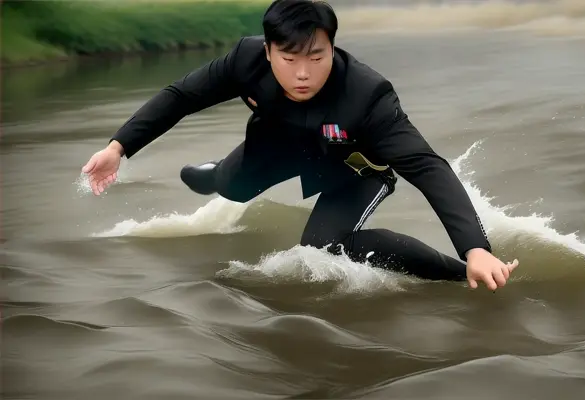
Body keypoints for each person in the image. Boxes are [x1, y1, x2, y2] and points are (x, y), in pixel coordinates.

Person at [81, 0, 519, 291]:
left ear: (333, 47)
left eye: (317, 57)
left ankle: (458, 275)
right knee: (230, 186)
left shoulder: (368, 95)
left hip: (354, 167)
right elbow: (182, 95)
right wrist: (119, 146)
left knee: (322, 247)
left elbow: (427, 166)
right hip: (279, 141)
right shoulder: (244, 59)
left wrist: (475, 249)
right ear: (269, 51)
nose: (304, 73)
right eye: (290, 60)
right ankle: (218, 173)